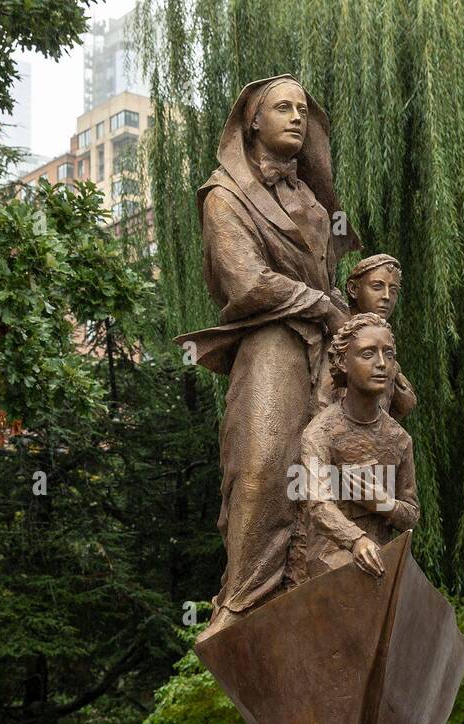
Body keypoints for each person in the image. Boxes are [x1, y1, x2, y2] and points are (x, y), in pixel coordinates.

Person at [176, 75, 361, 640]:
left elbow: (333, 278)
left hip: (327, 352)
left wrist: (350, 313)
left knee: (336, 473)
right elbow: (247, 283)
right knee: (262, 467)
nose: (297, 118)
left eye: (303, 110)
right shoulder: (224, 196)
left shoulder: (314, 200)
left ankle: (329, 587)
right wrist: (321, 308)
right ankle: (242, 604)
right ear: (252, 121)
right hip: (272, 344)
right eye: (283, 108)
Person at [299, 314, 419, 580]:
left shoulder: (399, 438)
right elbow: (318, 504)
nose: (381, 364)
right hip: (332, 555)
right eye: (368, 354)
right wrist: (356, 540)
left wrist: (383, 504)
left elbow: (411, 515)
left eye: (388, 354)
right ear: (343, 362)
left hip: (384, 555)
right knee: (358, 583)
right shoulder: (320, 433)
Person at [339, 253, 416, 420]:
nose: (386, 296)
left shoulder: (384, 339)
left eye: (393, 290)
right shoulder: (342, 341)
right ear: (353, 289)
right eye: (377, 286)